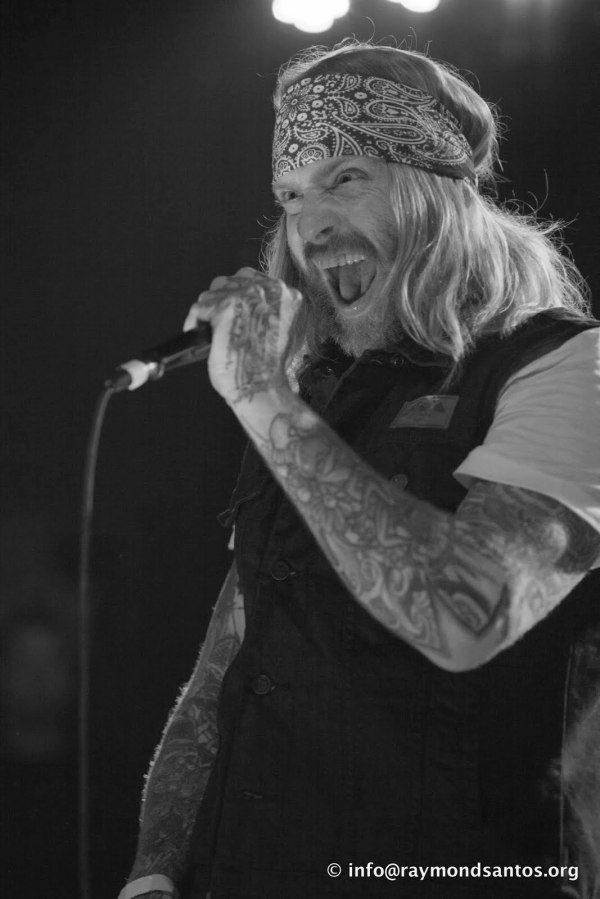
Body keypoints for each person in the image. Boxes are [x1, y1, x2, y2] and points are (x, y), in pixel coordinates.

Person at [117, 41, 600, 899]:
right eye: (291, 195)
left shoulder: (565, 368)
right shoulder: (319, 399)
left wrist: (263, 397)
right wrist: (156, 870)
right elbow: (227, 669)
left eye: (345, 177)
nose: (310, 226)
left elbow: (465, 614)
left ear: (434, 192)